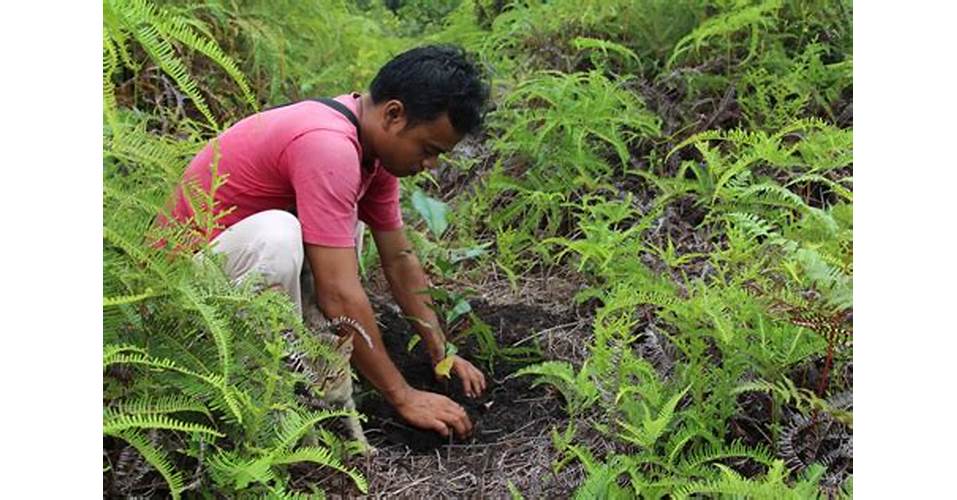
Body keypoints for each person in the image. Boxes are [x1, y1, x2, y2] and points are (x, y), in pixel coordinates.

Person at [163, 45, 490, 439]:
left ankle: (317, 377)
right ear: (393, 115)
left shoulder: (370, 148)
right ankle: (270, 400)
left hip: (228, 280)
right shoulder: (328, 144)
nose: (430, 165)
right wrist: (402, 395)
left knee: (341, 229)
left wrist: (441, 350)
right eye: (428, 149)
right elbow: (338, 292)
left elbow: (399, 258)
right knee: (279, 236)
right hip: (177, 300)